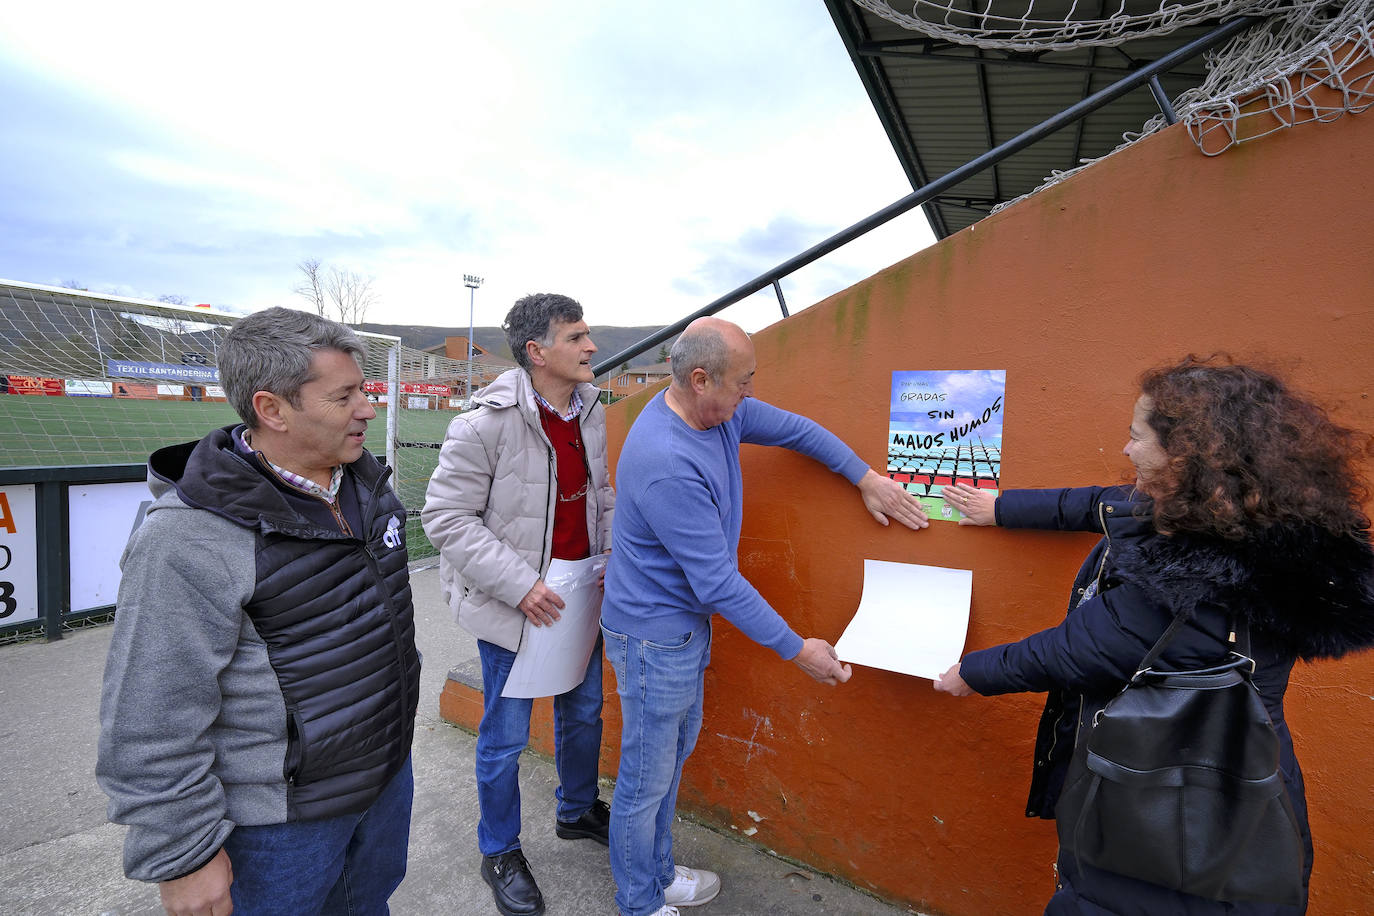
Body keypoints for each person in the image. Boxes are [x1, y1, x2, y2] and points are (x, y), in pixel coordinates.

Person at [933, 357, 1374, 915]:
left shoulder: (1193, 580)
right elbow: (1101, 503)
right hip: (1250, 781)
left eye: (1136, 435)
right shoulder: (1260, 525)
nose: (1125, 451)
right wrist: (1001, 507)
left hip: (1171, 803)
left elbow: (1076, 649)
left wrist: (969, 673)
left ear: (1187, 457)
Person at [96, 307, 421, 916]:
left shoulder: (368, 486)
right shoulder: (187, 540)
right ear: (272, 409)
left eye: (366, 390)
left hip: (382, 782)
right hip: (279, 825)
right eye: (344, 395)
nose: (368, 408)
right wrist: (184, 856)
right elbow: (150, 714)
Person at [602, 316, 929, 916]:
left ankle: (656, 874)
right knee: (645, 780)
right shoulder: (667, 460)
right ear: (701, 379)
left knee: (668, 764)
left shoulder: (719, 413)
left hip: (679, 628)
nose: (751, 393)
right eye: (743, 381)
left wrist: (866, 478)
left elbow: (799, 431)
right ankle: (639, 902)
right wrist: (797, 648)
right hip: (652, 638)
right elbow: (719, 582)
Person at [422, 293, 615, 916]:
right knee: (504, 739)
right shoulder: (483, 422)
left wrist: (607, 563)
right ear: (537, 351)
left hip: (582, 590)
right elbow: (445, 518)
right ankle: (499, 850)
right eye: (577, 338)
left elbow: (600, 495)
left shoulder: (591, 408)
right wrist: (519, 585)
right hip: (517, 603)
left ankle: (578, 809)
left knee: (585, 712)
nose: (591, 348)